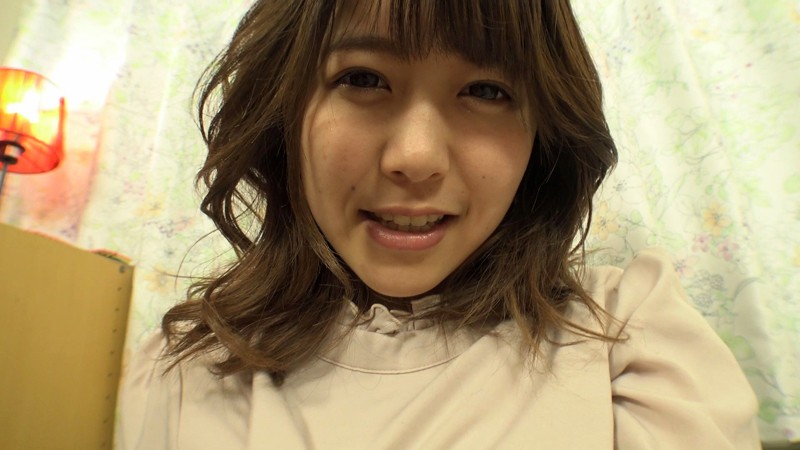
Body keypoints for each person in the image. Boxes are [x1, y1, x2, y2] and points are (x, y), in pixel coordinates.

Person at [117, 0, 761, 448]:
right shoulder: (184, 373)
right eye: (363, 78)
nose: (416, 157)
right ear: (284, 107)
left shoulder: (629, 339)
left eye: (486, 90)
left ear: (543, 137)